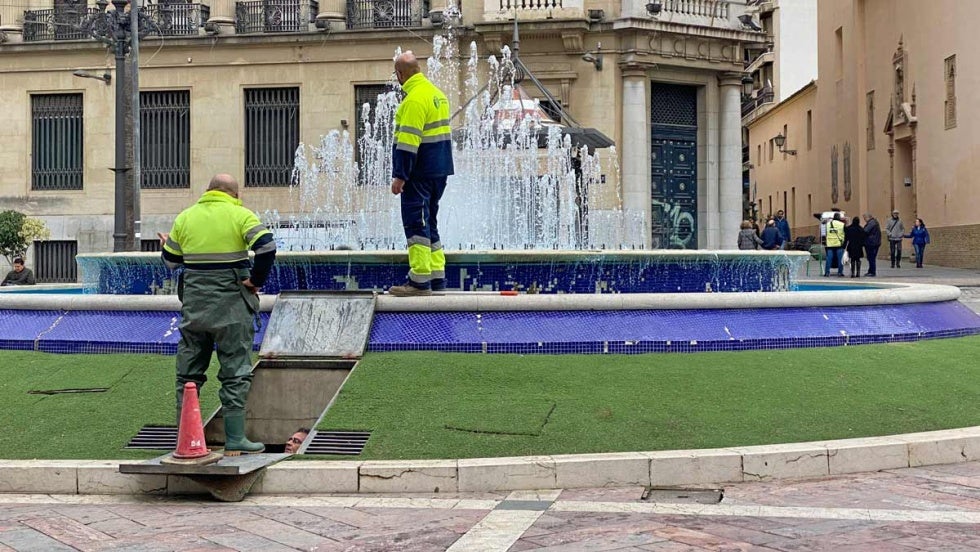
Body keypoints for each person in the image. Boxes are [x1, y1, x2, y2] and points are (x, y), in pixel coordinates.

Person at [160, 174, 277, 455]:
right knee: (235, 372)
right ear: (235, 195)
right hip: (232, 308)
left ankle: (186, 439)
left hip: (195, 310)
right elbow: (267, 247)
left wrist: (165, 245)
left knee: (188, 374)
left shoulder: (186, 217)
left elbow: (171, 262)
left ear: (207, 191)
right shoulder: (241, 215)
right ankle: (234, 440)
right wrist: (256, 280)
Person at [387, 51, 455, 297]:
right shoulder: (438, 95)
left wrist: (400, 176)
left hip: (419, 173)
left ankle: (418, 280)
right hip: (439, 171)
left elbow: (408, 142)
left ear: (400, 75)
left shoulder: (414, 100)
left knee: (416, 223)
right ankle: (437, 277)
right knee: (430, 222)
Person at [824, 212, 845, 277]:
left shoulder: (827, 224)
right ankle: (840, 272)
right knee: (840, 259)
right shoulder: (842, 224)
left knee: (829, 259)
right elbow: (844, 233)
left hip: (830, 244)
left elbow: (826, 234)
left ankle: (827, 272)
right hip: (839, 244)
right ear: (839, 218)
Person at [862, 212, 882, 277]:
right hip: (874, 242)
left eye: (864, 218)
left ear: (868, 217)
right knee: (871, 258)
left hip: (871, 243)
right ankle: (871, 271)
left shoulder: (871, 223)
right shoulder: (874, 222)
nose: (864, 219)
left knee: (871, 258)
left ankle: (872, 272)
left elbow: (865, 231)